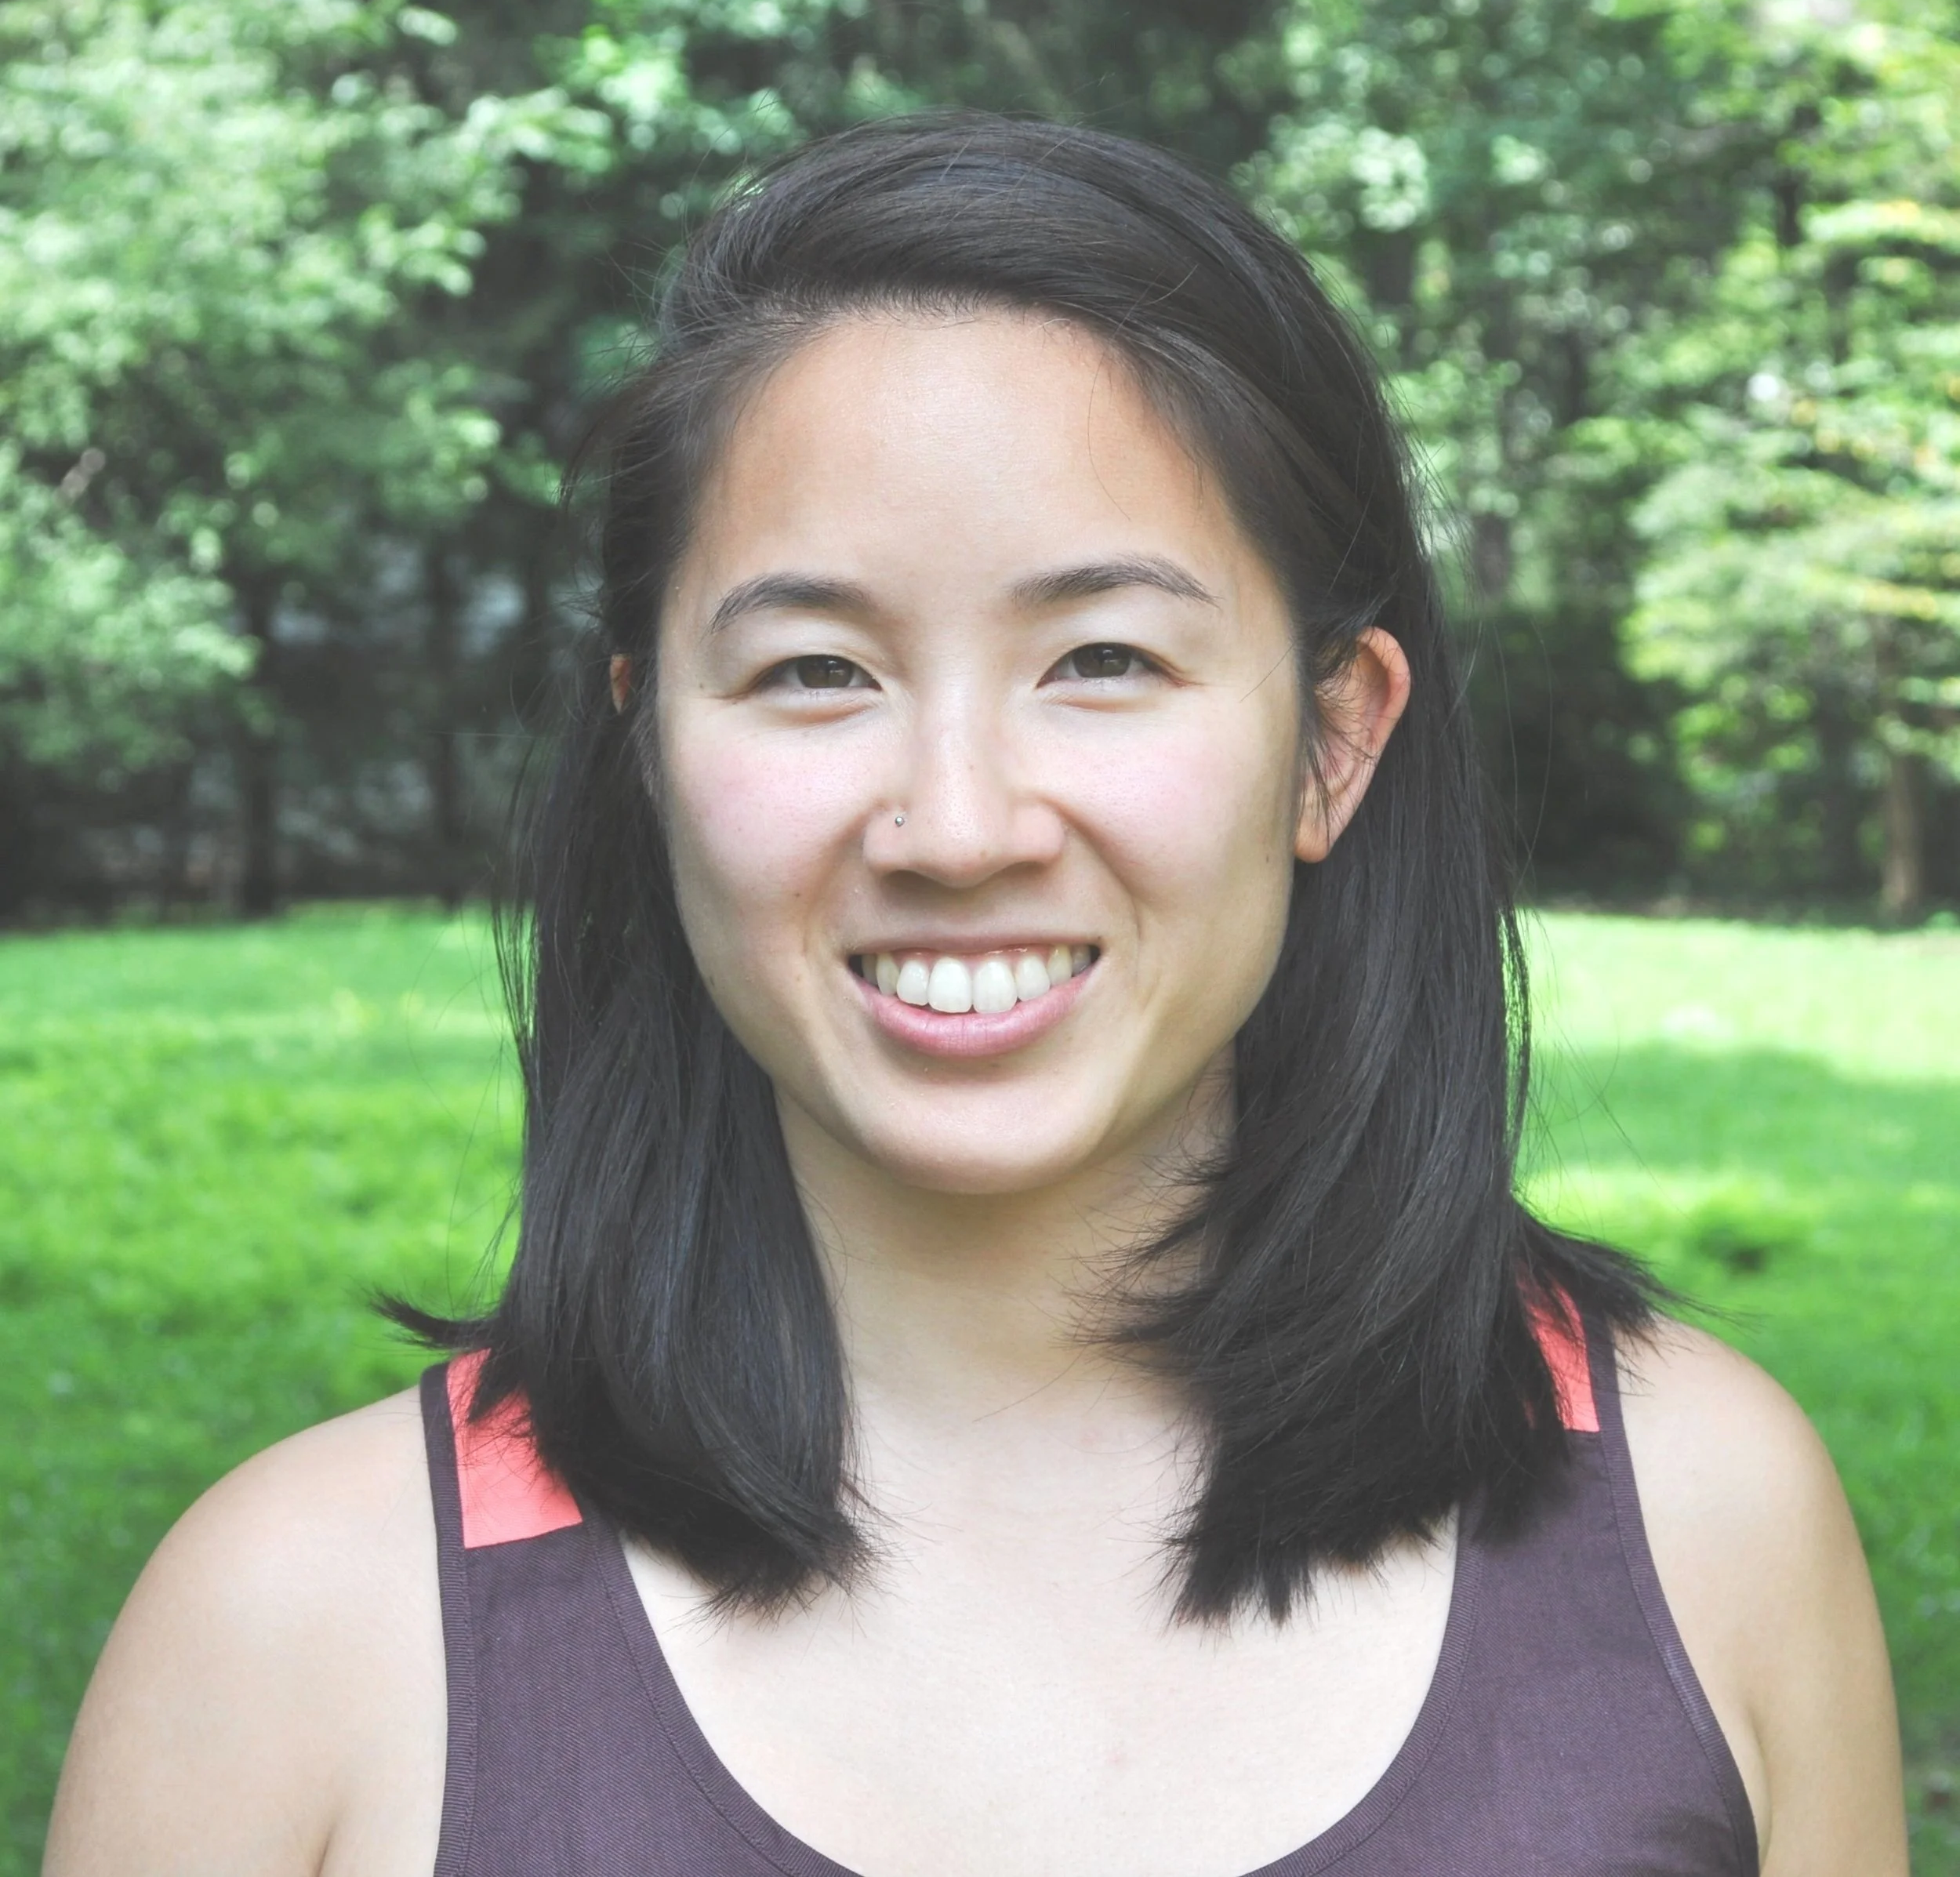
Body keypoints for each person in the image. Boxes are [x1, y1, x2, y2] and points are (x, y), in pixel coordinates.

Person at [45, 115, 1904, 1877]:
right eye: (813, 670)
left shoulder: (1702, 1519)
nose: (954, 823)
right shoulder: (295, 1632)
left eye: (1099, 658)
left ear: (1331, 741)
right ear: (649, 744)